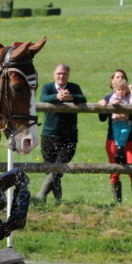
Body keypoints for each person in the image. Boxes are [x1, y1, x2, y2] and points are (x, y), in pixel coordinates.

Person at [35, 63, 86, 204]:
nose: (61, 76)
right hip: (48, 134)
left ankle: (41, 194)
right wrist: (57, 97)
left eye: (64, 74)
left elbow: (83, 99)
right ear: (54, 75)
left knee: (58, 167)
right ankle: (58, 201)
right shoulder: (48, 87)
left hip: (69, 136)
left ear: (68, 75)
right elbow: (43, 99)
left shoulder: (74, 87)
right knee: (52, 170)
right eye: (58, 73)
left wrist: (71, 98)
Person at [98, 69, 132, 203]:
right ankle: (118, 204)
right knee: (114, 171)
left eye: (122, 77)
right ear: (112, 81)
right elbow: (101, 118)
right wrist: (103, 107)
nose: (119, 79)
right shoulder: (108, 98)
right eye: (117, 77)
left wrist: (127, 115)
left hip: (131, 139)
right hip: (112, 139)